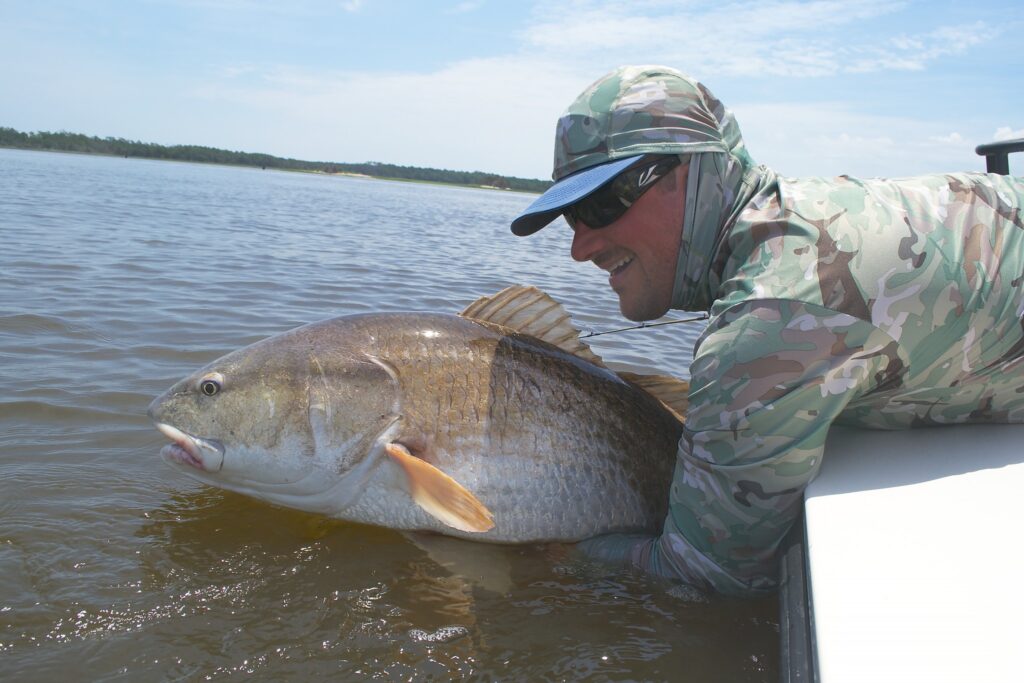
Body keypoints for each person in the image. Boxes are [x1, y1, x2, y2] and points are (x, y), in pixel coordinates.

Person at [510, 65, 1024, 595]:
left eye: (600, 205)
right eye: (573, 216)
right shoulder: (801, 213)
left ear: (689, 173)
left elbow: (710, 574)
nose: (580, 247)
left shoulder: (769, 318)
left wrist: (547, 552)